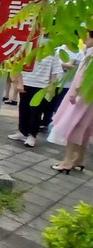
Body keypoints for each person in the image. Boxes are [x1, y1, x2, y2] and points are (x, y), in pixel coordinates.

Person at [49, 31, 93, 172]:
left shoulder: (90, 54)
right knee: (86, 127)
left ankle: (67, 161)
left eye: (88, 36)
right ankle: (80, 159)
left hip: (82, 95)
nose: (85, 40)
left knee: (73, 126)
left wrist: (75, 93)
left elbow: (82, 75)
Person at [8, 51, 63, 148]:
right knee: (23, 108)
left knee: (36, 111)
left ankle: (32, 135)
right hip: (26, 83)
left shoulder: (53, 53)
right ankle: (22, 132)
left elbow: (54, 72)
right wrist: (20, 83)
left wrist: (51, 87)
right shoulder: (29, 49)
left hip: (41, 86)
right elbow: (19, 67)